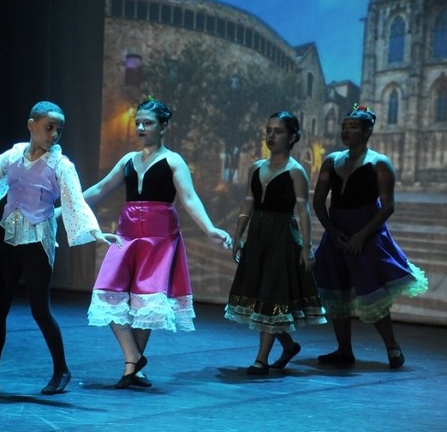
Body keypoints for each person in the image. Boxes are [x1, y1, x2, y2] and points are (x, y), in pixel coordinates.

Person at [0, 101, 120, 398]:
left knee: (39, 309)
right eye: (49, 127)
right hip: (7, 237)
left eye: (59, 129)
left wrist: (95, 233)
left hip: (37, 240)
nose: (55, 134)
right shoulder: (11, 156)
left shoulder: (61, 164)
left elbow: (75, 202)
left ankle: (61, 369)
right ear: (31, 125)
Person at [82, 98, 232, 389]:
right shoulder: (128, 160)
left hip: (159, 236)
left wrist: (210, 228)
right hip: (127, 234)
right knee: (107, 293)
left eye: (148, 123)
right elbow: (100, 188)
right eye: (138, 122)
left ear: (164, 126)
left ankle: (132, 367)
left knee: (146, 301)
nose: (140, 127)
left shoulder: (173, 160)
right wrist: (65, 208)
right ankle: (133, 357)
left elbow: (189, 198)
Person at [312, 104, 428, 369]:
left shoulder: (379, 163)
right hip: (338, 232)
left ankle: (392, 346)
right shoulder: (332, 160)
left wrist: (361, 236)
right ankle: (343, 350)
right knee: (336, 291)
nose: (346, 131)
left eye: (352, 127)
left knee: (370, 290)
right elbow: (319, 199)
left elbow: (388, 206)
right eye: (344, 126)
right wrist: (332, 231)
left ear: (367, 131)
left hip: (366, 233)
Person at [224, 111, 327, 375]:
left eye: (278, 131)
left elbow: (302, 211)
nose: (271, 135)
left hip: (281, 237)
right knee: (263, 294)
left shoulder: (296, 172)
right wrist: (238, 235)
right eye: (269, 130)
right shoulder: (257, 167)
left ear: (292, 137)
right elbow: (249, 200)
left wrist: (306, 246)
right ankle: (289, 346)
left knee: (272, 293)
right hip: (258, 236)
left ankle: (261, 359)